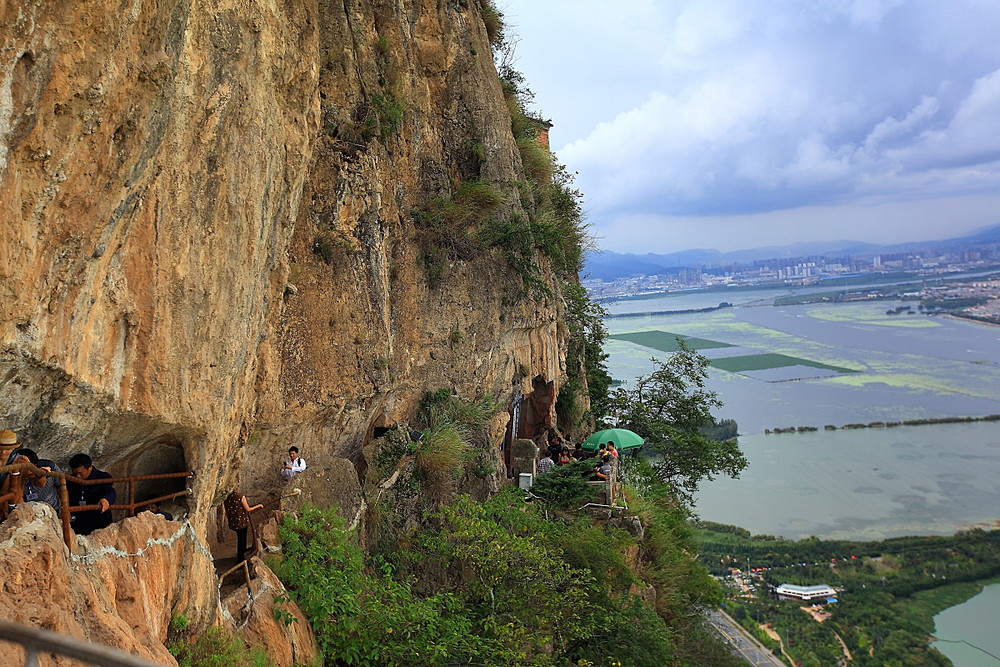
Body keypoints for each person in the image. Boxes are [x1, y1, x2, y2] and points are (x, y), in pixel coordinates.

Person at [67, 453, 117, 535]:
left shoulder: (103, 477)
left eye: (80, 473)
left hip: (98, 519)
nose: (77, 476)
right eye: (75, 473)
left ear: (90, 468)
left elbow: (110, 491)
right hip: (79, 521)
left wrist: (106, 500)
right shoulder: (70, 480)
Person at [224, 486, 263, 563]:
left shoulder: (227, 498)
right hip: (242, 522)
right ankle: (240, 560)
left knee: (240, 538)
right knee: (242, 539)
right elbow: (248, 509)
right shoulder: (240, 497)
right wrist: (259, 506)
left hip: (234, 522)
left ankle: (243, 551)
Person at [18, 448, 61, 513]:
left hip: (51, 510)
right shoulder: (12, 475)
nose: (29, 472)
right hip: (27, 513)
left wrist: (65, 508)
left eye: (32, 468)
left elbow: (61, 487)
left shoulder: (50, 468)